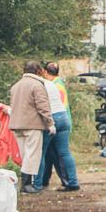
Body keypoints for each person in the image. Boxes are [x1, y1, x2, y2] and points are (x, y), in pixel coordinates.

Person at [30, 63, 77, 192]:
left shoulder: (41, 85)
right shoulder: (54, 84)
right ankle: (73, 182)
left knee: (41, 152)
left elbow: (41, 106)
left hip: (52, 118)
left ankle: (38, 184)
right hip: (63, 117)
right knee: (65, 152)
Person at [9, 60, 54, 194]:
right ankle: (27, 185)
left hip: (16, 124)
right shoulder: (37, 85)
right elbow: (43, 106)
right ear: (38, 71)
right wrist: (50, 123)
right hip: (32, 124)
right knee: (32, 154)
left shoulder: (16, 86)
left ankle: (24, 184)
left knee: (24, 154)